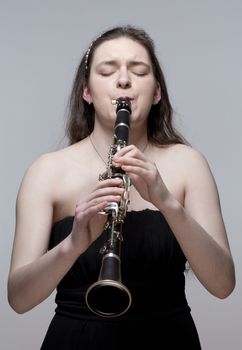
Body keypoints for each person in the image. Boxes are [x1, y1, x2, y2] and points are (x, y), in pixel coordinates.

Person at [8, 25, 235, 349]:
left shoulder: (188, 164)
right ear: (86, 91)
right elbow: (18, 299)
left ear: (156, 91)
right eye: (108, 70)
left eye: (139, 70)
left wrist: (166, 202)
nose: (124, 79)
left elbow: (223, 284)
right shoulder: (47, 171)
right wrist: (73, 244)